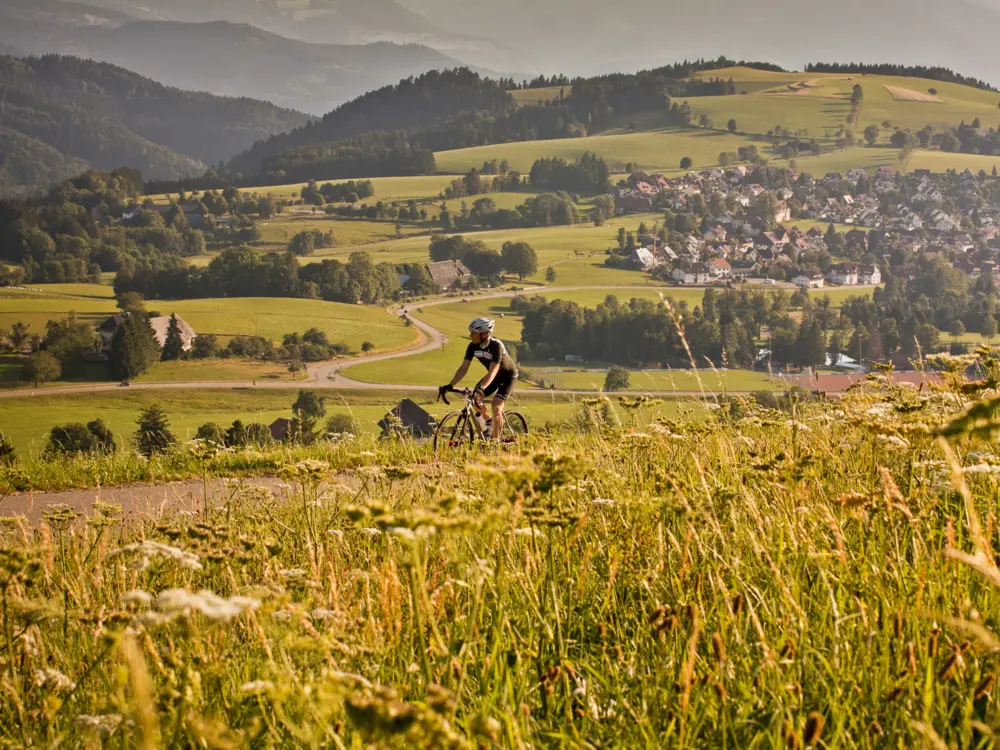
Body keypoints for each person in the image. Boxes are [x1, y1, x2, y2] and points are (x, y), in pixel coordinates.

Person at [440, 318, 518, 440]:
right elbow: (464, 368)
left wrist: (481, 388)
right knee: (475, 399)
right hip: (494, 376)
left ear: (484, 334)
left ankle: (494, 443)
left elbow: (493, 370)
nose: (470, 336)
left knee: (496, 405)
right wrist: (450, 385)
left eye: (474, 333)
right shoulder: (472, 347)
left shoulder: (496, 345)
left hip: (508, 376)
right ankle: (489, 423)